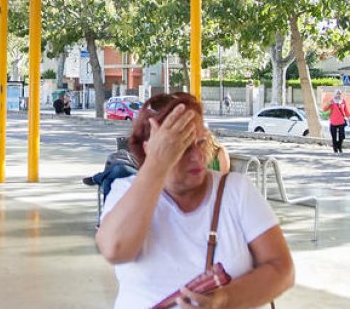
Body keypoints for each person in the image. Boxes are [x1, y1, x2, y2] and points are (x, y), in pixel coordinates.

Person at [96, 92, 294, 308]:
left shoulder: (236, 191)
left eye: (201, 142)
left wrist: (223, 300)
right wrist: (157, 164)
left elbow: (282, 269)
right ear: (149, 148)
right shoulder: (125, 191)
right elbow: (115, 250)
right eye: (182, 146)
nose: (198, 155)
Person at [323, 89, 350, 154]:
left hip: (341, 121)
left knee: (342, 136)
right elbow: (324, 109)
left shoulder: (343, 101)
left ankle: (339, 147)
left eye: (339, 93)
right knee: (334, 137)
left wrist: (349, 120)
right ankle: (335, 149)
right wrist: (328, 104)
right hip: (333, 122)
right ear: (334, 94)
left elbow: (346, 110)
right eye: (337, 93)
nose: (338, 95)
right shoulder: (332, 101)